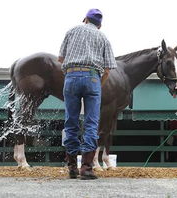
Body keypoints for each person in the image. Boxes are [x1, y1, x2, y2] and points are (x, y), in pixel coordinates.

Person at [58, 8, 117, 180]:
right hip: (93, 78)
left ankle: (71, 167)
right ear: (99, 25)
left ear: (85, 19)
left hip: (71, 75)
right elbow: (107, 70)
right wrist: (98, 84)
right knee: (91, 123)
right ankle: (87, 168)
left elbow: (60, 59)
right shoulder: (103, 37)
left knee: (71, 122)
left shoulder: (72, 31)